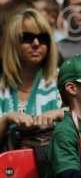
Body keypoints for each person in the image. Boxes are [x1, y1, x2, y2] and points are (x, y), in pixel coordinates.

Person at [0, 8, 63, 142]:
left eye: (42, 38)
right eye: (27, 38)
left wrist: (59, 114)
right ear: (12, 42)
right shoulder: (1, 85)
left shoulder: (62, 80)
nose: (36, 43)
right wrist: (6, 119)